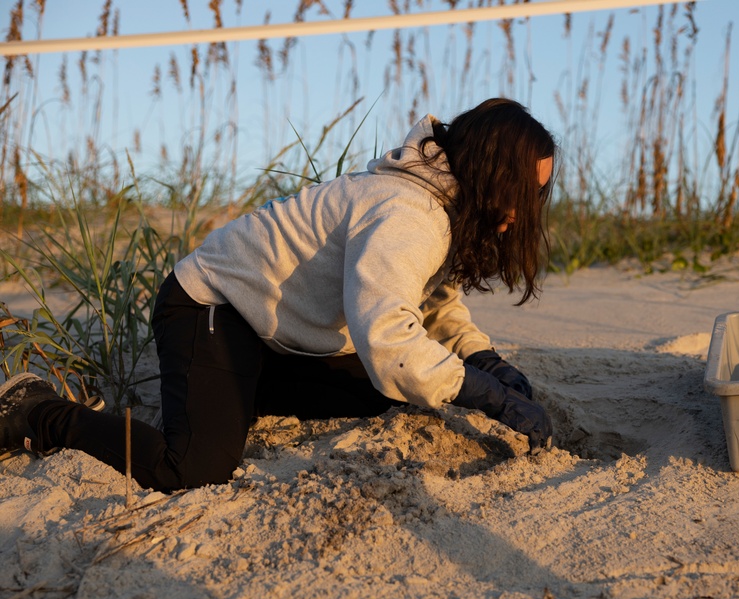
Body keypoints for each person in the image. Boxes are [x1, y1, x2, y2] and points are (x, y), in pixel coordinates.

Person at [0, 98, 556, 492]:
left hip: (268, 332)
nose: (522, 209)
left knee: (383, 393)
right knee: (189, 470)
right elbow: (392, 341)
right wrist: (488, 394)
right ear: (487, 170)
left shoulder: (437, 200)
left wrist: (483, 358)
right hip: (209, 306)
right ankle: (36, 410)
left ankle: (238, 393)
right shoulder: (408, 212)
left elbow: (431, 301)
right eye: (521, 192)